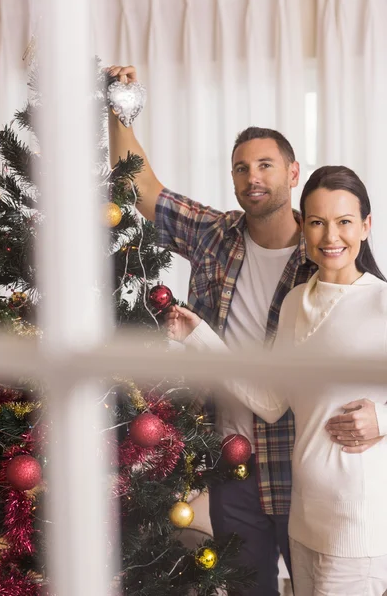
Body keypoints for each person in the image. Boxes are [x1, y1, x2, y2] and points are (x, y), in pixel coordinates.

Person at [106, 65, 385, 595]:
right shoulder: (218, 237)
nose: (252, 176)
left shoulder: (330, 264)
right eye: (240, 168)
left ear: (293, 174)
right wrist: (118, 110)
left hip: (303, 465)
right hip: (232, 459)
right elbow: (142, 189)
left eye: (265, 165)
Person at [165, 165, 387, 596]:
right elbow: (269, 401)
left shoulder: (381, 302)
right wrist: (200, 338)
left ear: (365, 226)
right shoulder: (293, 303)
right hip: (304, 519)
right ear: (302, 226)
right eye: (318, 222)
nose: (331, 236)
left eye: (344, 222)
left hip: (357, 526)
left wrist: (382, 418)